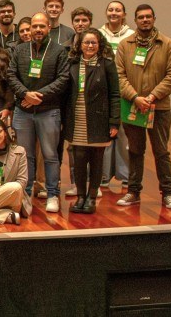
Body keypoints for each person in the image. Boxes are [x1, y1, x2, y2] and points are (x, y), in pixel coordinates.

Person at [115, 4, 171, 210]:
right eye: (141, 17)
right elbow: (119, 75)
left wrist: (152, 96)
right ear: (135, 20)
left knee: (161, 151)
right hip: (133, 106)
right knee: (135, 150)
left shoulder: (167, 44)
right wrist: (135, 97)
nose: (145, 20)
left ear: (154, 18)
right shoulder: (125, 45)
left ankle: (168, 193)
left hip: (158, 108)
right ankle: (133, 192)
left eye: (148, 17)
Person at [6, 12, 71, 213]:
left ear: (48, 28)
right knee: (25, 156)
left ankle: (52, 194)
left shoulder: (59, 51)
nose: (38, 30)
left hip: (48, 110)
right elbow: (11, 74)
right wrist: (25, 94)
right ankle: (25, 194)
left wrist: (37, 96)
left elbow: (63, 78)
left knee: (50, 155)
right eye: (35, 26)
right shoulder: (20, 49)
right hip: (23, 111)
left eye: (42, 26)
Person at [65, 29, 120, 214]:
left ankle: (92, 196)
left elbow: (114, 95)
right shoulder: (71, 64)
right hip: (77, 119)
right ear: (79, 46)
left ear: (99, 45)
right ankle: (80, 196)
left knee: (96, 161)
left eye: (93, 43)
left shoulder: (107, 65)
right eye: (86, 43)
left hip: (99, 119)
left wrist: (114, 122)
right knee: (79, 161)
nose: (90, 46)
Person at [99, 0, 134, 186]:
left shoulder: (131, 36)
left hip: (124, 93)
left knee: (123, 136)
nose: (114, 13)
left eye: (118, 10)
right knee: (105, 134)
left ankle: (125, 175)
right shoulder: (99, 34)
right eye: (111, 9)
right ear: (106, 12)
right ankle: (103, 176)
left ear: (124, 14)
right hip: (103, 92)